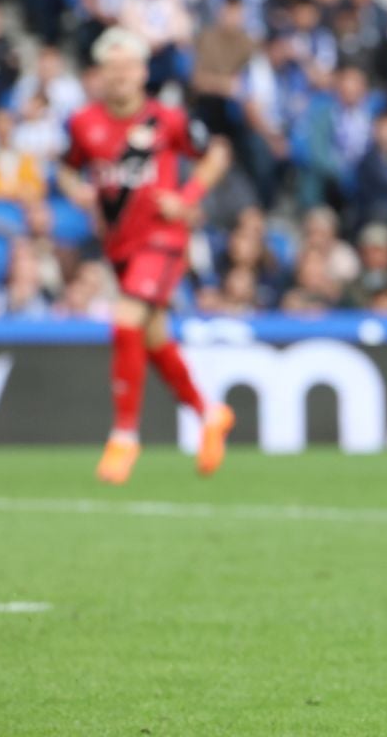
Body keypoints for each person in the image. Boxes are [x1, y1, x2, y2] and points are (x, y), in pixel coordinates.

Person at [56, 29, 236, 485]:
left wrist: (188, 195)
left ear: (141, 72)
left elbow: (217, 152)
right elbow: (66, 169)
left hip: (163, 238)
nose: (119, 77)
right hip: (121, 246)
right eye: (110, 69)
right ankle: (208, 412)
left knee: (126, 318)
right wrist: (76, 190)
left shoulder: (167, 120)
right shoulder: (83, 124)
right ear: (100, 75)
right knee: (151, 337)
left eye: (127, 68)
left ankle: (124, 436)